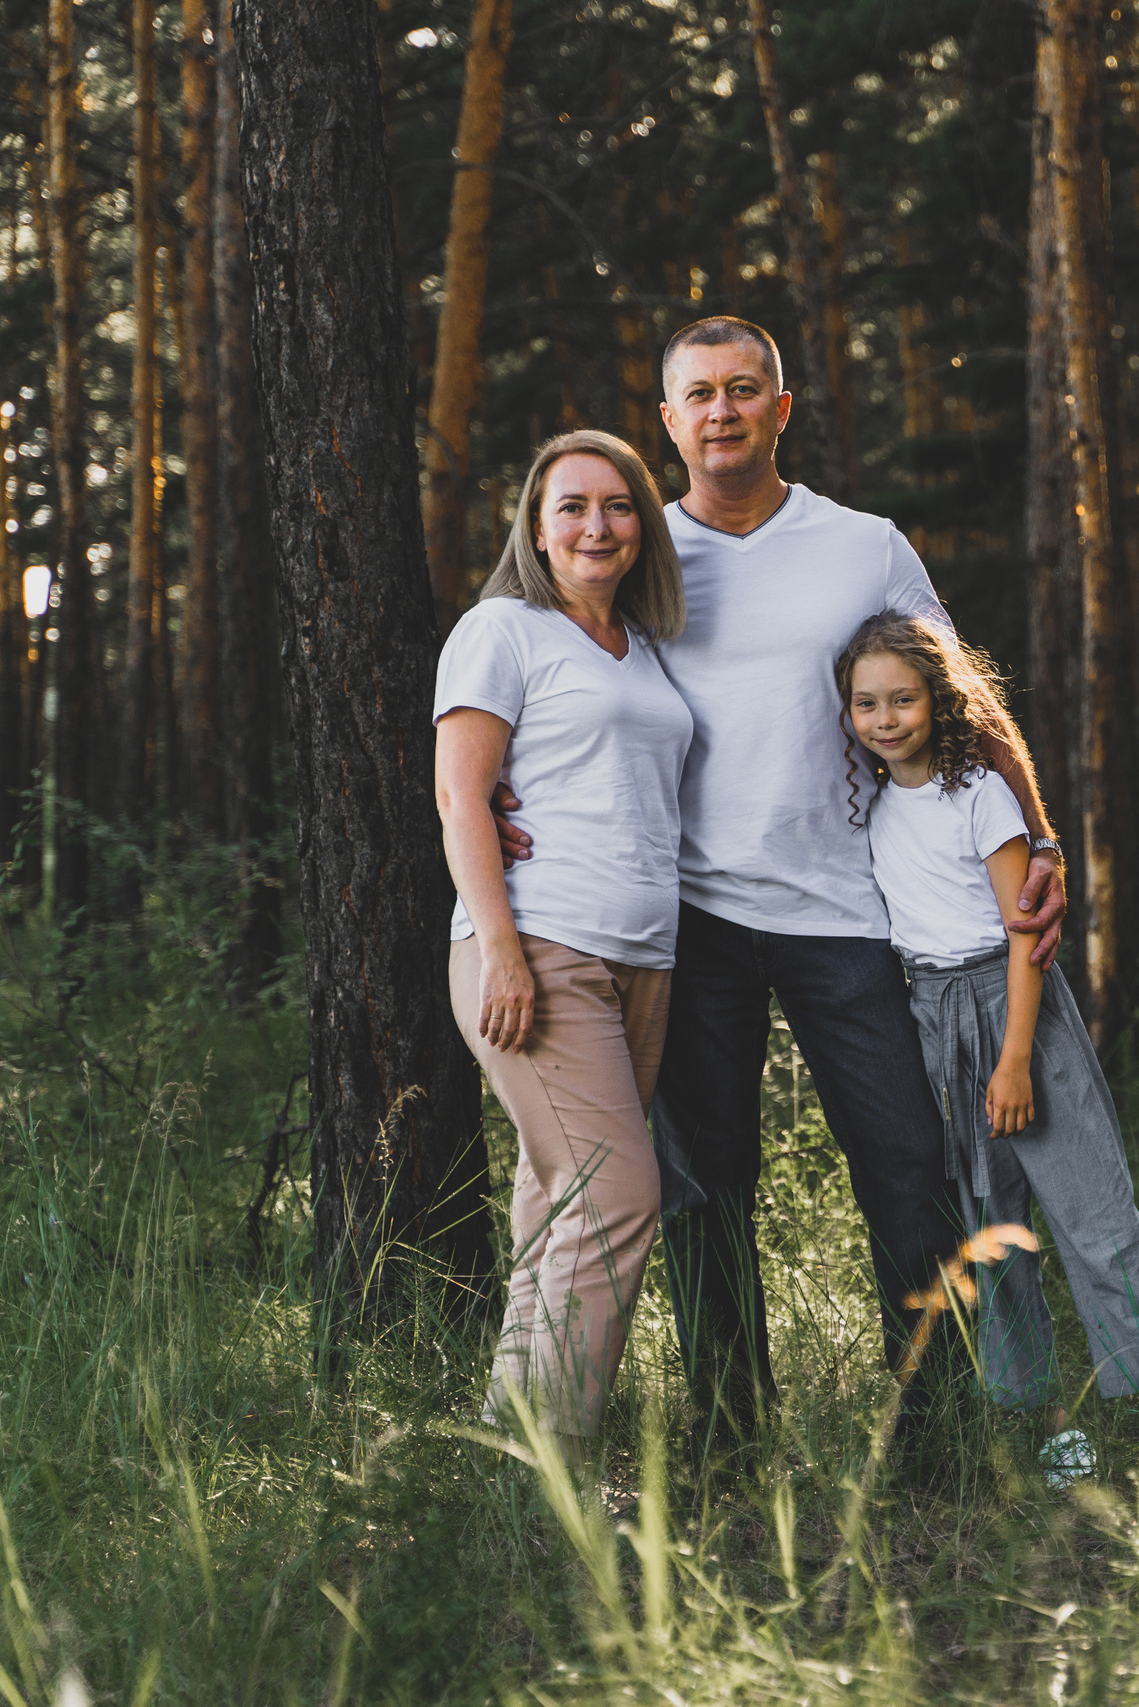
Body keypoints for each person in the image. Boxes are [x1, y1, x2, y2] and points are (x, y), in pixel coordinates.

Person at [496, 317, 1067, 1466]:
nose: (722, 412)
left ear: (781, 408)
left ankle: (937, 1434)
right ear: (668, 421)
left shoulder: (861, 545)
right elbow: (550, 676)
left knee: (907, 1171)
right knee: (705, 1189)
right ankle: (727, 1435)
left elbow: (958, 692)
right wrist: (511, 798)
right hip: (688, 919)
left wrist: (1038, 833)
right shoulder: (637, 551)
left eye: (744, 390)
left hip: (850, 913)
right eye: (698, 394)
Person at [837, 612, 1139, 1489]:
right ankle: (1045, 1422)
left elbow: (1025, 935)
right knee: (987, 1229)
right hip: (931, 1011)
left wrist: (1012, 1059)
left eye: (904, 698)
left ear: (941, 699)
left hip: (1014, 1003)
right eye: (865, 704)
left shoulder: (981, 795)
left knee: (1096, 1215)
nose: (885, 719)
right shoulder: (875, 803)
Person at [434, 430, 693, 1471]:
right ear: (535, 529)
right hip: (542, 950)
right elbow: (460, 794)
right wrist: (500, 949)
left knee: (559, 1205)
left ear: (642, 523)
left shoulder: (642, 644)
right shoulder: (503, 629)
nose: (597, 525)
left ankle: (510, 1446)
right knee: (617, 1195)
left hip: (644, 961)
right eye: (572, 506)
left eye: (618, 505)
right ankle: (562, 1462)